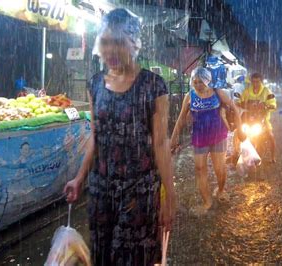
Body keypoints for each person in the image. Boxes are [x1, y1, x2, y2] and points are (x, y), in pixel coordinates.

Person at [63, 9, 176, 265]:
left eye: (118, 42)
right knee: (103, 254)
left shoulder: (154, 85)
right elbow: (96, 137)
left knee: (133, 257)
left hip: (139, 190)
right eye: (105, 42)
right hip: (102, 188)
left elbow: (160, 143)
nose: (111, 50)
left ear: (133, 43)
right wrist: (79, 178)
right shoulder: (94, 84)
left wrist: (170, 196)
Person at [170, 67, 244, 215]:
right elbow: (181, 117)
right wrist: (173, 137)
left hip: (218, 136)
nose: (197, 85)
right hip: (199, 137)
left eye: (201, 82)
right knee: (199, 169)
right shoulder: (189, 96)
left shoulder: (218, 92)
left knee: (219, 168)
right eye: (195, 82)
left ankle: (221, 190)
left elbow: (235, 109)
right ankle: (207, 202)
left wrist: (240, 129)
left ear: (207, 81)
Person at [231, 73, 277, 163]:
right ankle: (235, 152)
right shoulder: (247, 91)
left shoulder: (266, 91)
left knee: (271, 136)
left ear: (261, 81)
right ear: (251, 82)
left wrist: (269, 106)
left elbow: (273, 103)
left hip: (263, 119)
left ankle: (273, 157)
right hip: (248, 119)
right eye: (254, 81)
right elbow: (239, 100)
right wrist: (238, 103)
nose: (255, 83)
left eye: (257, 81)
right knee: (237, 133)